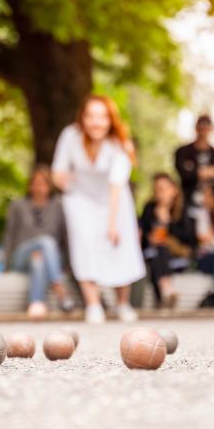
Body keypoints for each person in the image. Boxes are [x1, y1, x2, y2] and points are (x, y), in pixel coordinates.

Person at [51, 95, 145, 324]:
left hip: (114, 199)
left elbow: (116, 185)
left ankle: (122, 304)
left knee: (118, 245)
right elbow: (58, 171)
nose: (96, 122)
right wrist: (63, 180)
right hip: (80, 198)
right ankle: (93, 304)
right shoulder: (70, 136)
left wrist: (112, 224)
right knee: (84, 244)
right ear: (82, 118)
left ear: (110, 120)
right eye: (90, 116)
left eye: (102, 117)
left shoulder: (120, 143)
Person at [1, 165, 75, 316]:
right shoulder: (17, 206)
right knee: (46, 241)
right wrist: (5, 264)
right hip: (22, 255)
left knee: (38, 261)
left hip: (51, 257)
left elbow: (65, 236)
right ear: (30, 185)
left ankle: (36, 304)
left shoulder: (58, 206)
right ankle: (59, 289)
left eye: (42, 183)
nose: (38, 187)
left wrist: (69, 264)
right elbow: (9, 235)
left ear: (49, 186)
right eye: (35, 183)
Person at [139, 173, 194, 308]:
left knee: (160, 252)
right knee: (157, 252)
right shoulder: (149, 208)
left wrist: (167, 222)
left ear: (173, 190)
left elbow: (188, 237)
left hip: (176, 255)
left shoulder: (182, 209)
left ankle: (163, 294)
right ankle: (166, 289)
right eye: (157, 189)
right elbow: (144, 234)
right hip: (153, 253)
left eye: (163, 189)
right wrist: (149, 237)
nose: (160, 193)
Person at [175, 115, 214, 226]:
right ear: (196, 128)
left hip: (211, 206)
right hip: (188, 202)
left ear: (211, 129)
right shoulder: (183, 152)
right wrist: (199, 173)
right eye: (201, 126)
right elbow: (181, 173)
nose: (204, 130)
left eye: (206, 127)